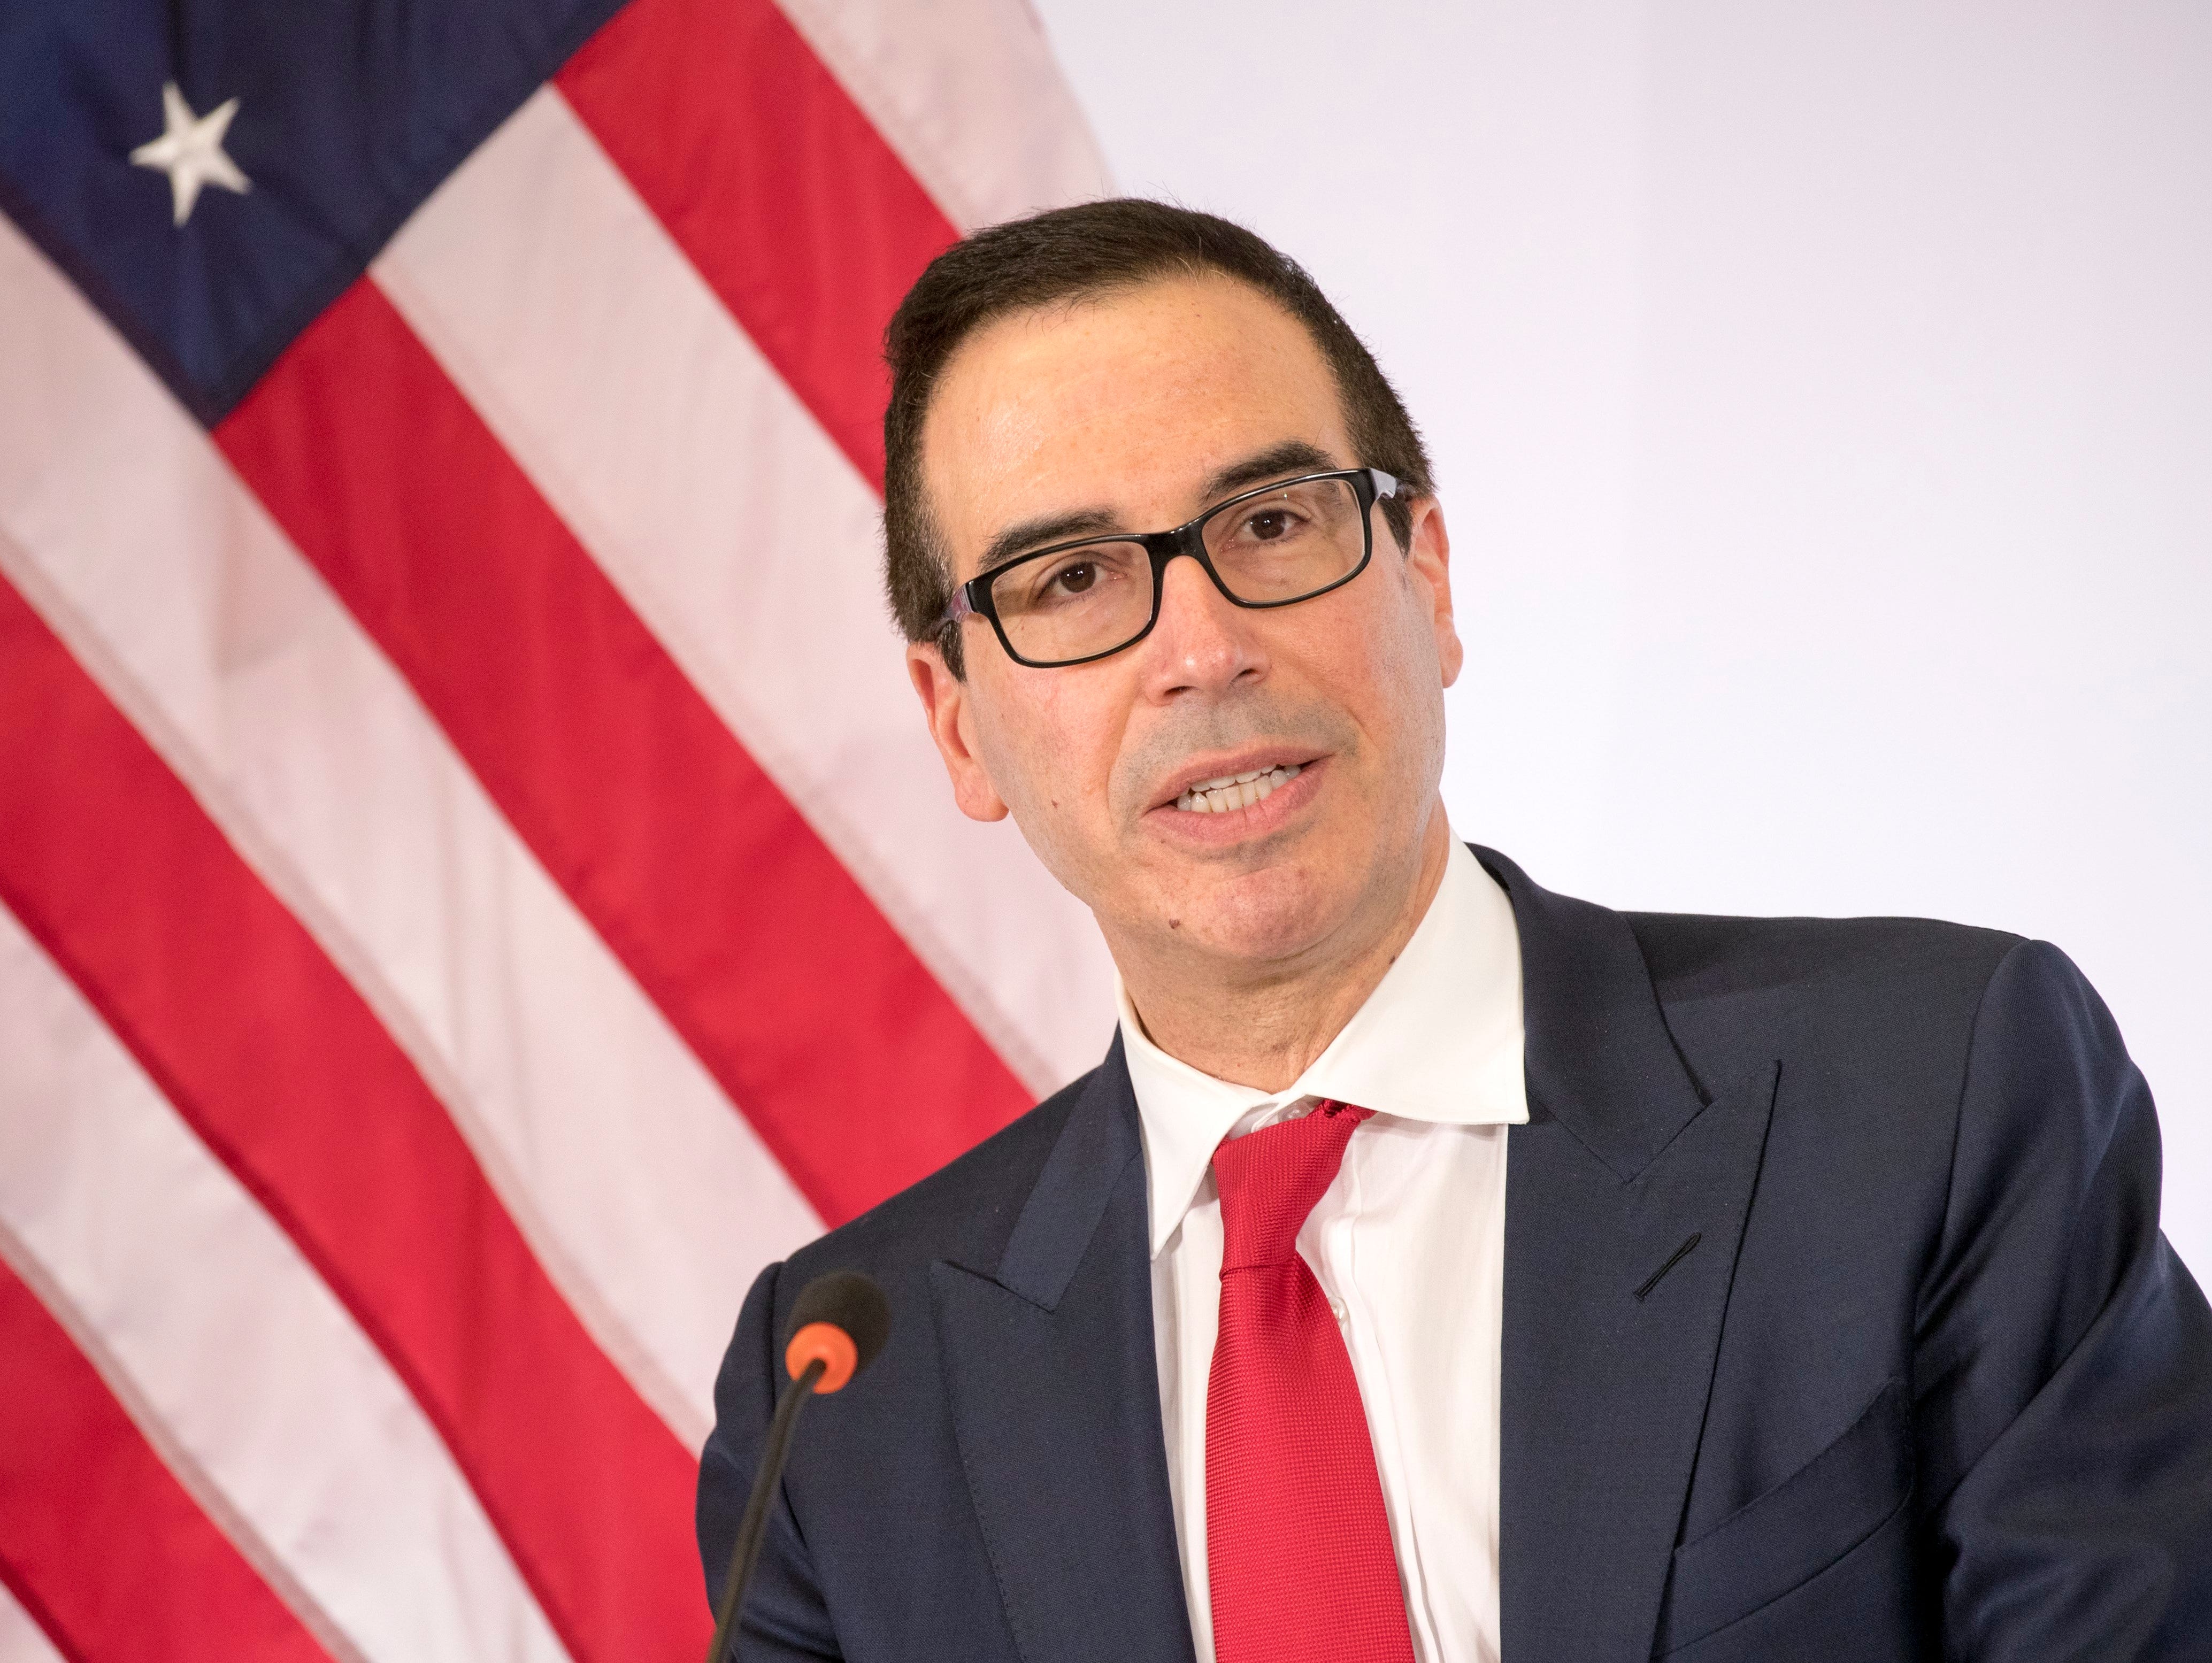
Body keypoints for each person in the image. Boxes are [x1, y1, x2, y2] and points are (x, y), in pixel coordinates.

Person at [695, 199, 2212, 1663]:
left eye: (1272, 522)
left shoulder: (1927, 1097)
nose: (1203, 649)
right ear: (959, 727)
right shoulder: (843, 1399)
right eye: (1072, 579)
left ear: (1426, 579)